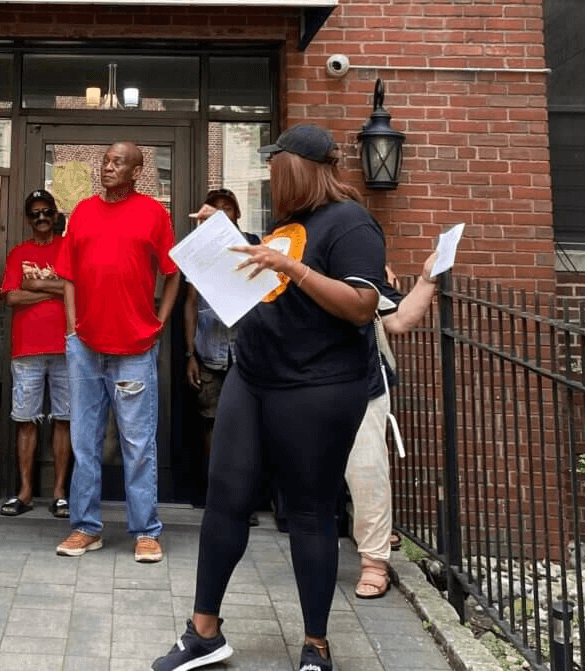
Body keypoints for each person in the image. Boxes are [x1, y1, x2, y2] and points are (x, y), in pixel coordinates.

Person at [154, 124, 384, 671]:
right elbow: (269, 280)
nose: (269, 176)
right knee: (225, 497)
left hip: (318, 386)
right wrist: (229, 234)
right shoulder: (288, 224)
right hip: (253, 376)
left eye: (275, 167)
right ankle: (204, 633)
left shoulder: (352, 224)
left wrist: (293, 266)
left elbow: (360, 305)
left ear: (298, 168)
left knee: (309, 510)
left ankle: (315, 646)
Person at [54, 141, 181, 564]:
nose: (108, 167)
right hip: (85, 347)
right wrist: (72, 329)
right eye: (106, 160)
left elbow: (172, 272)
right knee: (84, 442)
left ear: (137, 171)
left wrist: (159, 321)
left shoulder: (153, 214)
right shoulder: (83, 213)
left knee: (138, 443)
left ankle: (146, 531)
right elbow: (68, 273)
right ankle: (86, 528)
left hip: (135, 347)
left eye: (118, 162)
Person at [346, 252, 438, 600]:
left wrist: (428, 279)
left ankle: (374, 562)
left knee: (367, 472)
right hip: (304, 383)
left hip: (361, 383)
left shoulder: (359, 261)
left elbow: (398, 320)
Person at [0, 189, 71, 519]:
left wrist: (37, 286)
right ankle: (25, 491)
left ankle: (58, 492)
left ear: (56, 216)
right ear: (28, 219)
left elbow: (78, 290)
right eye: (35, 213)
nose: (41, 218)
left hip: (67, 347)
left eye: (47, 212)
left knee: (64, 419)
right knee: (25, 420)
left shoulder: (69, 249)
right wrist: (56, 291)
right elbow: (11, 298)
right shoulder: (18, 254)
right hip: (27, 349)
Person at [183, 188, 244, 454]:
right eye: (215, 209)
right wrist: (190, 355)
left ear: (237, 213)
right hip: (209, 354)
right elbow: (191, 303)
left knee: (247, 422)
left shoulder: (252, 245)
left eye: (227, 209)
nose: (221, 214)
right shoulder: (199, 252)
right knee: (212, 422)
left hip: (246, 353)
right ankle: (214, 488)